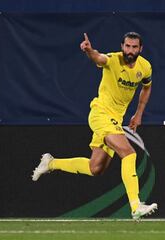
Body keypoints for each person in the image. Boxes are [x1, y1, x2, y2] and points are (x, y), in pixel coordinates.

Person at [32, 32, 157, 219]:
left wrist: (138, 114)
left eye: (134, 47)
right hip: (101, 114)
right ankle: (135, 205)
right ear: (122, 46)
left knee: (95, 168)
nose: (130, 50)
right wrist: (89, 51)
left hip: (115, 119)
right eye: (127, 46)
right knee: (128, 152)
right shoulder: (113, 60)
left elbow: (147, 87)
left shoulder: (145, 67)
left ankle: (51, 163)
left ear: (140, 49)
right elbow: (99, 57)